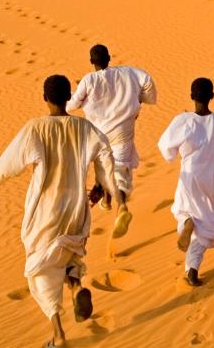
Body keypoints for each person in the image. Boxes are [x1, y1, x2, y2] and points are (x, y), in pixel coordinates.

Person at [0, 74, 125, 348]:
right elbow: (106, 155)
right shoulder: (84, 126)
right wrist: (103, 186)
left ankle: (58, 332)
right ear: (69, 97)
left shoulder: (35, 128)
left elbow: (7, 164)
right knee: (70, 253)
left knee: (40, 267)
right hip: (76, 205)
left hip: (45, 208)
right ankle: (76, 289)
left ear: (45, 97)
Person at [157, 77, 214, 287]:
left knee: (183, 211)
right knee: (208, 225)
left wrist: (176, 154)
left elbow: (165, 146)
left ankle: (187, 223)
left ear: (191, 97)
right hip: (212, 179)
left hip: (189, 176)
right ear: (212, 97)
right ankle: (192, 269)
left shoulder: (183, 120)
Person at [65, 44, 156, 239]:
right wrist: (141, 99)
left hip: (99, 136)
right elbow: (147, 80)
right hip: (123, 133)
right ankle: (121, 205)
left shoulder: (89, 81)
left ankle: (105, 198)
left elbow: (72, 105)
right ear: (109, 58)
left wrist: (74, 94)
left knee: (103, 168)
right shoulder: (128, 72)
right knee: (120, 170)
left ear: (92, 62)